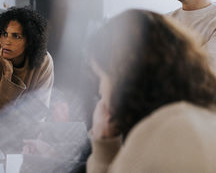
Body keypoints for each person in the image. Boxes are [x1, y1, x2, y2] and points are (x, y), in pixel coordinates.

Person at [86, 9, 216, 173]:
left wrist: (102, 149)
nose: (100, 90)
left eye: (102, 77)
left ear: (123, 74)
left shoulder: (160, 134)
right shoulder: (204, 117)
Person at [0, 7, 54, 120]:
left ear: (29, 41)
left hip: (29, 130)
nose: (7, 41)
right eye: (4, 34)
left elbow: (39, 111)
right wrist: (7, 75)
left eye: (16, 36)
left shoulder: (43, 61)